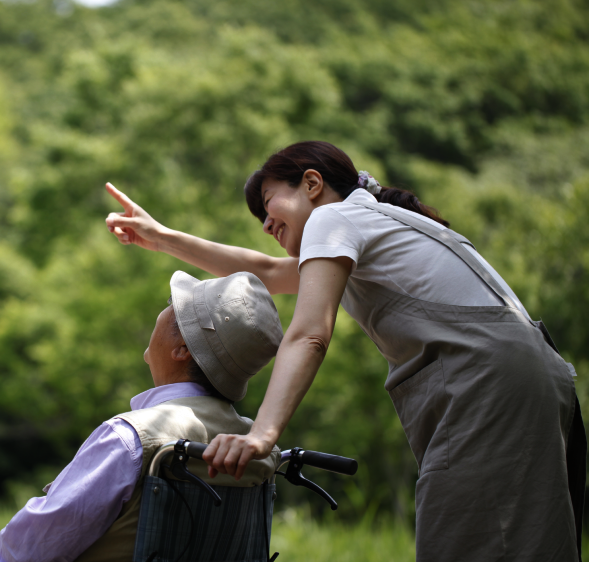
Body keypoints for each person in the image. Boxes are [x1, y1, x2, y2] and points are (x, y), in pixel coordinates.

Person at [105, 141, 586, 562]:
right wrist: (162, 237)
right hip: (530, 378)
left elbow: (310, 333)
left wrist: (262, 436)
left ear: (312, 183)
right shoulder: (364, 223)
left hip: (490, 387)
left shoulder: (335, 218)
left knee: (469, 539)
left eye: (270, 202)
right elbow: (271, 272)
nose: (266, 221)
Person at [0, 270, 283, 562]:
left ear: (182, 350)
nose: (165, 308)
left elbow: (26, 550)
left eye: (172, 304)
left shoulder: (131, 437)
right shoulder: (259, 451)